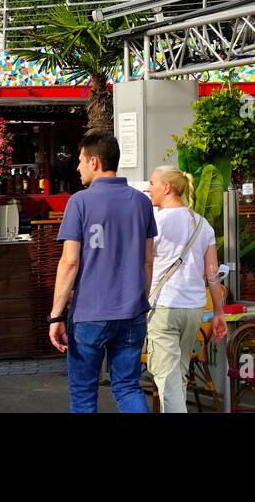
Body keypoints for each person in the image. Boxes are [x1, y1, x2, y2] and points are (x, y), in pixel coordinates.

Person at [50, 131, 157, 413]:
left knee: (84, 395)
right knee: (128, 387)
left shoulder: (79, 202)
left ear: (94, 162)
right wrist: (140, 301)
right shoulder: (142, 202)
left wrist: (56, 315)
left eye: (81, 160)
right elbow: (149, 260)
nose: (77, 167)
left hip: (90, 313)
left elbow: (69, 263)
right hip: (132, 312)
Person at [145, 166, 227, 413]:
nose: (148, 188)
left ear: (166, 187)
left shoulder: (154, 223)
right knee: (177, 375)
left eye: (152, 183)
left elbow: (145, 264)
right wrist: (218, 313)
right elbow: (212, 275)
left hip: (164, 307)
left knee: (167, 379)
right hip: (193, 309)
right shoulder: (202, 223)